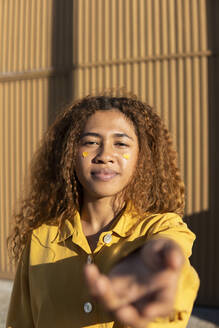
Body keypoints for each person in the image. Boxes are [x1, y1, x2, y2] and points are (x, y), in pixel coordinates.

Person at [7, 94, 199, 328]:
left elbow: (171, 248)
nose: (105, 156)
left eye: (121, 144)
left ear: (142, 156)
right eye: (90, 142)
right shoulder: (40, 238)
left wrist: (161, 262)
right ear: (70, 154)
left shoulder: (160, 228)